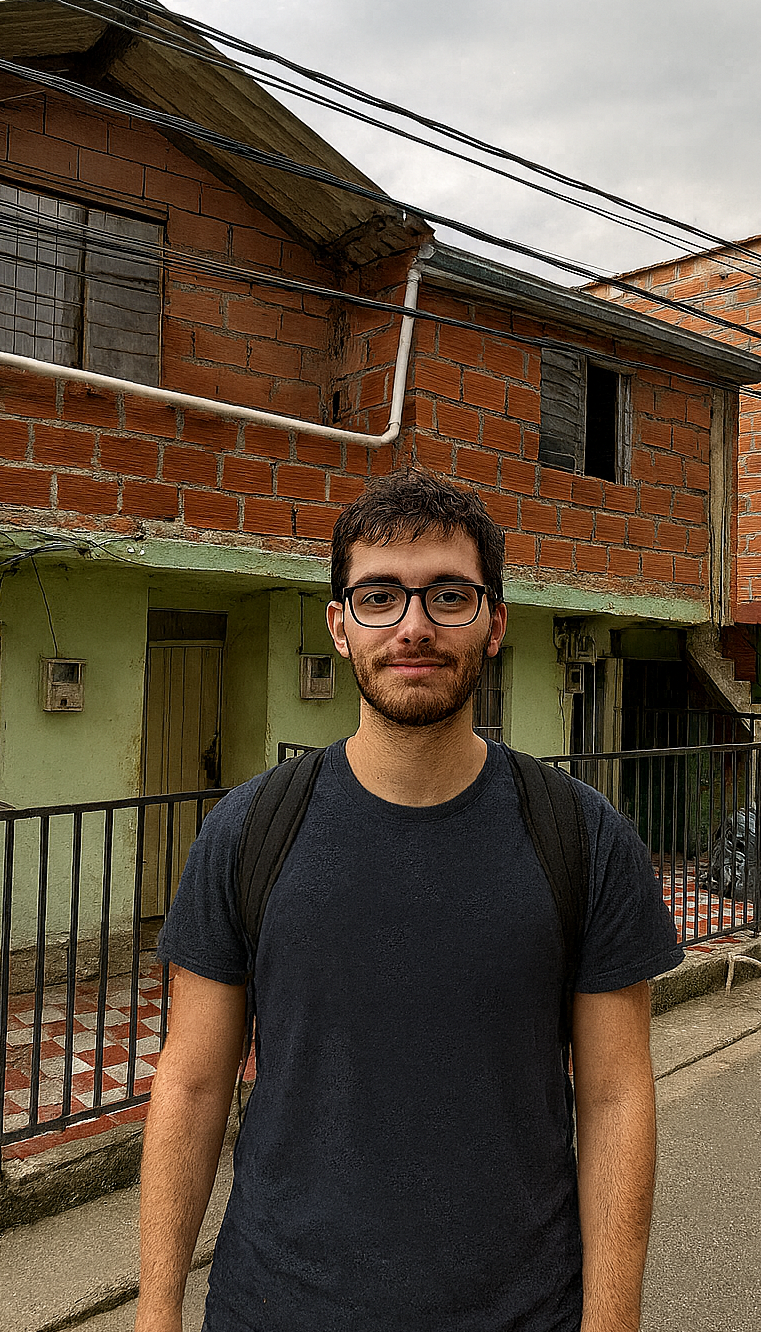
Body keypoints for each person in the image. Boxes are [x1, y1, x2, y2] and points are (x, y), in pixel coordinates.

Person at [136, 469, 683, 1332]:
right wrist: (155, 1310)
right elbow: (194, 1082)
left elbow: (616, 1096)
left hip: (521, 1310)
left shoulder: (580, 836)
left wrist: (611, 1324)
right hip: (274, 1307)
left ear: (494, 622)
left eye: (449, 596)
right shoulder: (250, 830)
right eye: (380, 597)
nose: (414, 628)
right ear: (339, 625)